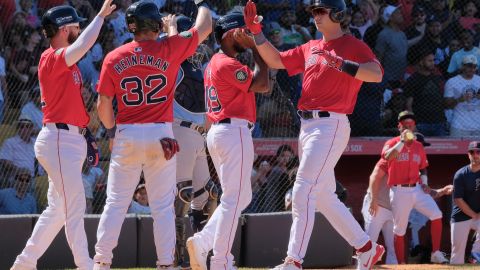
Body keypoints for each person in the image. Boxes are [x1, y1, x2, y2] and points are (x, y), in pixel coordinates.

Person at [242, 0, 385, 269]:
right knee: (323, 195)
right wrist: (256, 33)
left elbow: (376, 74)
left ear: (338, 14)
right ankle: (366, 248)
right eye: (314, 11)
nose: (316, 16)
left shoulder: (353, 45)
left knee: (303, 189)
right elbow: (275, 60)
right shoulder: (311, 46)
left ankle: (293, 261)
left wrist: (342, 64)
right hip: (308, 127)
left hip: (330, 125)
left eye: (322, 11)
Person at [93, 1, 212, 269]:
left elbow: (103, 106)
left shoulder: (114, 56)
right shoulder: (169, 48)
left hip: (127, 133)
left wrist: (113, 129)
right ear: (156, 24)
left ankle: (100, 262)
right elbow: (205, 25)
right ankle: (166, 263)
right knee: (161, 208)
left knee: (115, 204)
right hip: (161, 135)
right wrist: (201, 4)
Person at [10, 2, 116, 270]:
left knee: (57, 209)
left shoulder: (66, 60)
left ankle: (24, 263)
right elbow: (81, 46)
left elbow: (71, 101)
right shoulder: (50, 57)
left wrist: (85, 134)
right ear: (63, 28)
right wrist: (101, 17)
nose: (79, 28)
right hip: (58, 140)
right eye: (75, 25)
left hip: (69, 139)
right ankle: (85, 264)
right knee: (74, 204)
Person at [186, 12, 269, 270]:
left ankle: (203, 242)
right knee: (234, 199)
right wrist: (257, 47)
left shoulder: (216, 62)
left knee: (240, 197)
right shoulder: (226, 63)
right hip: (232, 131)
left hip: (222, 131)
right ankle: (221, 261)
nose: (246, 34)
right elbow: (263, 83)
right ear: (230, 33)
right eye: (242, 31)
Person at [168, 14, 217, 268]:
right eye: (190, 35)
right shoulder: (173, 60)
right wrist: (172, 29)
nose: (195, 40)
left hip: (200, 134)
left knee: (209, 194)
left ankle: (200, 254)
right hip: (181, 130)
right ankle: (175, 259)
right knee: (182, 196)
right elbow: (174, 44)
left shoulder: (198, 65)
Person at [381, 110, 448, 264]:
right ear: (399, 126)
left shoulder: (418, 146)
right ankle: (402, 264)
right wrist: (402, 141)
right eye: (405, 125)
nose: (408, 128)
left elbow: (423, 167)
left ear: (414, 127)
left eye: (410, 125)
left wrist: (424, 183)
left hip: (417, 188)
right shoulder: (391, 143)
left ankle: (436, 253)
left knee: (436, 214)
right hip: (399, 190)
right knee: (400, 229)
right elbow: (387, 157)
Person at [450, 141, 480, 264]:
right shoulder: (460, 174)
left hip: (478, 215)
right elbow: (458, 199)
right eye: (472, 152)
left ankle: (475, 255)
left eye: (478, 152)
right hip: (461, 216)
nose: (475, 155)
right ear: (468, 155)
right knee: (457, 254)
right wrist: (474, 215)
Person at [444, 55, 480, 137]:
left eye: (474, 66)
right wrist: (459, 99)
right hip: (459, 126)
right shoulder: (452, 82)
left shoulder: (479, 80)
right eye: (469, 66)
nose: (472, 69)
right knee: (457, 150)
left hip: (478, 125)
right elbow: (446, 105)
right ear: (462, 66)